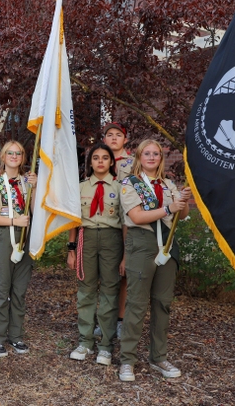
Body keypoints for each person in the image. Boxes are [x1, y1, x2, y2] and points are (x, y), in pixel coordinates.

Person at [118, 139, 191, 382]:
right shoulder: (130, 184)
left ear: (161, 158)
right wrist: (169, 208)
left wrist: (183, 202)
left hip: (167, 246)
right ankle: (127, 359)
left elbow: (182, 215)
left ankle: (158, 357)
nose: (151, 157)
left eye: (156, 154)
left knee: (162, 303)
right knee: (136, 304)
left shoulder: (167, 183)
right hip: (142, 245)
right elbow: (137, 217)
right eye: (146, 153)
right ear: (139, 157)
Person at [0, 141, 37, 357]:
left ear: (23, 157)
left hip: (25, 237)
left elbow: (34, 212)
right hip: (5, 236)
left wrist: (35, 187)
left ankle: (16, 335)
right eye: (10, 153)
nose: (14, 156)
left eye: (18, 153)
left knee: (19, 291)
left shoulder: (27, 181)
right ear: (3, 157)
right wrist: (13, 221)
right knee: (2, 290)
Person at [67, 143, 123, 365]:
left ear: (111, 162)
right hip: (86, 239)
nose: (100, 161)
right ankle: (85, 341)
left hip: (112, 239)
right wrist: (71, 250)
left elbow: (127, 223)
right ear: (90, 163)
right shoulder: (80, 188)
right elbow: (73, 221)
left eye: (105, 158)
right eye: (96, 158)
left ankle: (106, 346)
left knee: (110, 292)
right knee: (86, 290)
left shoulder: (121, 188)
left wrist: (126, 253)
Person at [103, 121, 133, 339]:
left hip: (129, 222)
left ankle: (121, 319)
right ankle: (104, 318)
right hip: (105, 222)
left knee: (123, 274)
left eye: (118, 135)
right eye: (109, 135)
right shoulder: (100, 160)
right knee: (105, 274)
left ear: (125, 139)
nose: (114, 138)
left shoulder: (134, 163)